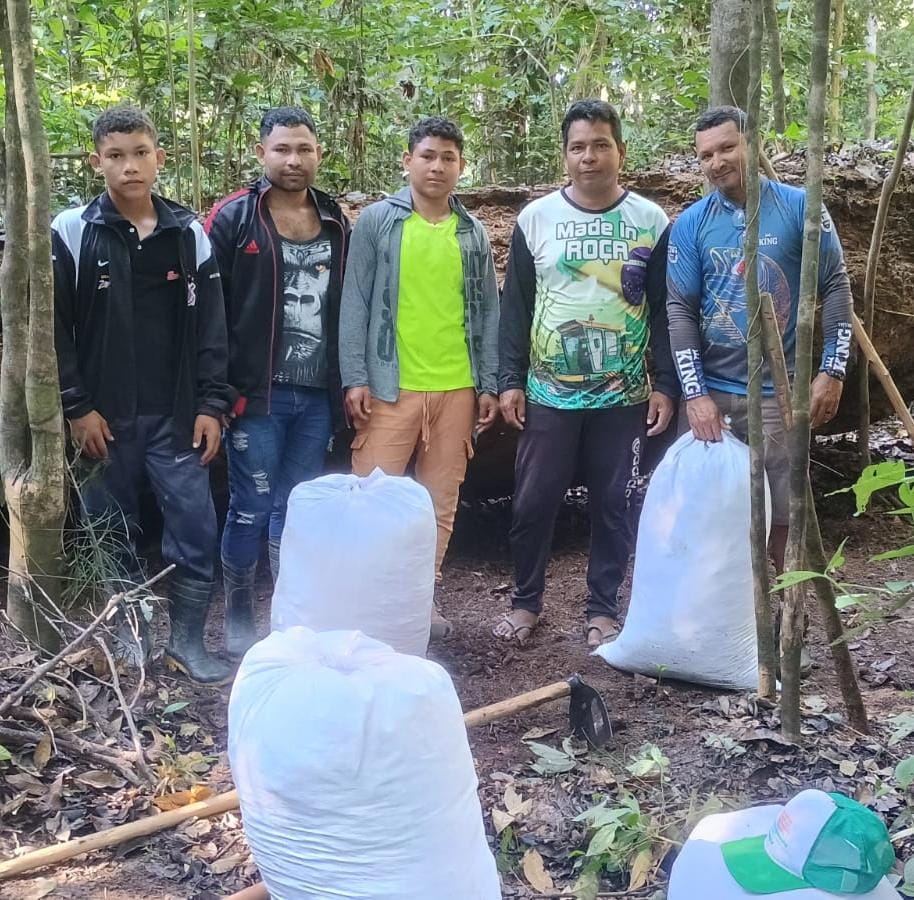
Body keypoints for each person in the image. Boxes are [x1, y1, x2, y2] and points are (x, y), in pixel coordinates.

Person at [53, 106, 234, 684]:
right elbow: (52, 327)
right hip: (102, 418)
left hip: (176, 416)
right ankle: (133, 643)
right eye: (115, 155)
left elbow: (212, 328)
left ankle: (185, 642)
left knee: (197, 527)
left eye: (139, 153)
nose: (129, 166)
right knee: (113, 528)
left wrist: (211, 405)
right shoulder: (74, 230)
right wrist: (76, 405)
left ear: (159, 157)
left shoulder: (189, 234)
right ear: (96, 162)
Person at [496, 99, 679, 649]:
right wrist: (509, 379)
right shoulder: (536, 218)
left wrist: (664, 384)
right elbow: (516, 308)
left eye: (600, 145)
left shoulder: (650, 220)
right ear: (565, 155)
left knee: (615, 503)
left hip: (623, 396)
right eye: (578, 146)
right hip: (549, 394)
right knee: (532, 503)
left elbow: (666, 308)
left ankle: (602, 608)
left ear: (620, 152)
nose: (589, 156)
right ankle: (526, 602)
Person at [666, 105, 853, 573]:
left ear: (753, 144)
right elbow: (680, 308)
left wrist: (833, 369)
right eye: (706, 155)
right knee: (709, 521)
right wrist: (695, 393)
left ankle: (786, 629)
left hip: (782, 393)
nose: (716, 162)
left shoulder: (800, 208)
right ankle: (723, 633)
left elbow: (835, 285)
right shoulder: (691, 223)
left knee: (785, 518)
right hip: (716, 396)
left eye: (727, 147)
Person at [339, 116, 500, 640]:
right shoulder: (378, 223)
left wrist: (489, 383)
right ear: (407, 161)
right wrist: (355, 376)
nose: (437, 166)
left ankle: (419, 599)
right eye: (427, 156)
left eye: (448, 158)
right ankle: (364, 601)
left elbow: (488, 313)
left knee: (438, 503)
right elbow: (355, 301)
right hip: (391, 385)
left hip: (456, 385)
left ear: (460, 167)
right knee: (372, 497)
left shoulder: (471, 232)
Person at [205, 107, 350, 658]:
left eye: (304, 150)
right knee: (252, 502)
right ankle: (240, 608)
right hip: (256, 394)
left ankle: (286, 615)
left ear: (317, 153)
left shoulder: (334, 218)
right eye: (283, 149)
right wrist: (215, 394)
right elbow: (209, 313)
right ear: (261, 151)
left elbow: (347, 305)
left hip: (316, 393)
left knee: (296, 505)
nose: (294, 160)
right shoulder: (234, 217)